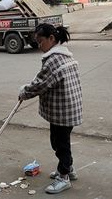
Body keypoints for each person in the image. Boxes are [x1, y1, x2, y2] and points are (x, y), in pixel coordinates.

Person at [18, 23, 83, 194]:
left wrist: (24, 92)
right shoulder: (63, 55)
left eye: (40, 42)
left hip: (64, 110)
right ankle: (68, 168)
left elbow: (40, 85)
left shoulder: (54, 60)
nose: (39, 46)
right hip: (66, 108)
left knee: (60, 144)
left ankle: (64, 177)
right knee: (59, 142)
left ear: (51, 39)